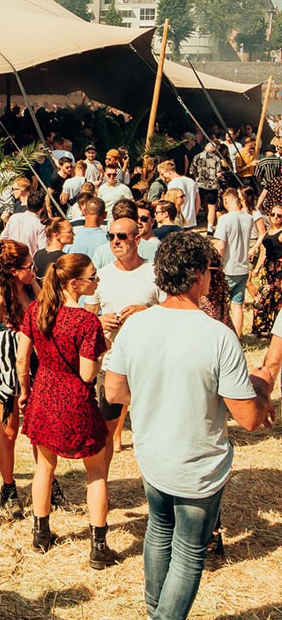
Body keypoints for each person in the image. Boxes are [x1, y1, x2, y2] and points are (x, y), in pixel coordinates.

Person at [106, 232, 272, 620]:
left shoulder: (135, 326)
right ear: (198, 276)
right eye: (211, 271)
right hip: (198, 463)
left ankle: (154, 611)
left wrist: (155, 396)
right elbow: (248, 418)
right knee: (187, 550)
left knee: (158, 531)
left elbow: (114, 391)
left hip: (152, 453)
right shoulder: (217, 336)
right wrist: (261, 386)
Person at [17, 253, 117, 569]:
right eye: (92, 277)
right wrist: (105, 347)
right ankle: (98, 547)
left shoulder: (36, 310)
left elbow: (22, 358)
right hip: (75, 397)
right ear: (75, 283)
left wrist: (24, 391)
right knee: (97, 472)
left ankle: (40, 533)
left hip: (44, 392)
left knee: (44, 468)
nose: (96, 281)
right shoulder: (87, 322)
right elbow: (88, 374)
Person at [85, 215, 159, 458]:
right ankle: (101, 486)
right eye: (111, 236)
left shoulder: (154, 272)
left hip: (149, 362)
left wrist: (147, 311)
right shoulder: (102, 275)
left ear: (137, 239)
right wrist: (98, 321)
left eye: (122, 236)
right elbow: (86, 317)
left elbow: (173, 310)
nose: (115, 241)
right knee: (106, 428)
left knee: (150, 427)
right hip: (111, 362)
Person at [0, 241, 37, 519]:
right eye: (29, 267)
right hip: (4, 375)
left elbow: (46, 314)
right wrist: (14, 339)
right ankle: (8, 488)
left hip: (33, 370)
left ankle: (47, 482)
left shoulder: (29, 289)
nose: (33, 271)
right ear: (14, 271)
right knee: (10, 432)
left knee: (39, 431)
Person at [213, 188, 254, 337]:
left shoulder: (225, 219)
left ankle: (221, 336)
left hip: (227, 268)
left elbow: (221, 246)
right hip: (243, 267)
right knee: (237, 305)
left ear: (226, 201)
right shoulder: (248, 218)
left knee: (220, 304)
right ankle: (237, 336)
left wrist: (214, 263)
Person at [251, 203, 282, 338]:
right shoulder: (268, 231)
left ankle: (272, 331)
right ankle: (260, 329)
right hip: (267, 270)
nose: (275, 217)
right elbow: (265, 252)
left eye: (279, 215)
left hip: (278, 271)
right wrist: (257, 268)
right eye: (273, 214)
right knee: (260, 299)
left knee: (275, 302)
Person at [32, 217, 73, 283]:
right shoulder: (64, 259)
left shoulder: (38, 254)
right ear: (57, 235)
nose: (73, 234)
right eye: (70, 231)